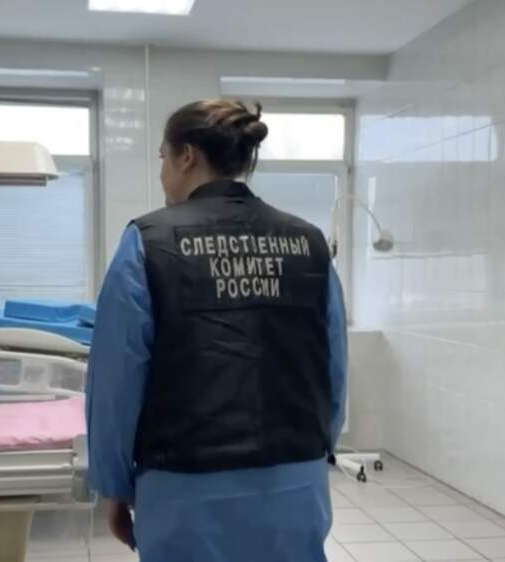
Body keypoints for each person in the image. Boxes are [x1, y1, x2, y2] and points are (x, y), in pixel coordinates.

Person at [85, 99, 348, 562]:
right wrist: (316, 446)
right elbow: (335, 368)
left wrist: (114, 484)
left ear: (186, 156)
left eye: (162, 158)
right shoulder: (308, 242)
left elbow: (115, 382)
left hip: (185, 486)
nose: (161, 173)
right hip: (295, 481)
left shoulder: (147, 243)